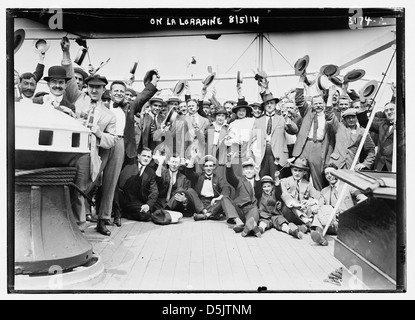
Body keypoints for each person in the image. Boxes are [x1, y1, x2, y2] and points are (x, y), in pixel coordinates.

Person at [70, 73, 118, 235]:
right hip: (71, 150)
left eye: (98, 87)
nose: (94, 90)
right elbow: (69, 77)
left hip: (89, 154)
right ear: (87, 87)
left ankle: (79, 225)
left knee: (81, 188)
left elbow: (112, 140)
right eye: (91, 87)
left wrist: (98, 133)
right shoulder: (78, 100)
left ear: (103, 89)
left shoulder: (109, 115)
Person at [292, 75, 336, 191]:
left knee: (318, 177)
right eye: (315, 103)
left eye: (320, 103)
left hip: (319, 146)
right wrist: (301, 80)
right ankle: (300, 197)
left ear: (324, 103)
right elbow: (299, 100)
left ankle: (320, 198)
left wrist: (331, 95)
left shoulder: (328, 116)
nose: (318, 105)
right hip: (306, 145)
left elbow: (331, 115)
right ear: (312, 104)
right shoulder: (308, 112)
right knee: (301, 175)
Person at [310, 163, 368, 246]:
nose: (329, 176)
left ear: (338, 173)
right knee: (319, 213)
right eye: (326, 174)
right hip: (334, 223)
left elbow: (359, 195)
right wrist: (315, 207)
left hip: (348, 223)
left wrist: (362, 198)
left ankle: (319, 233)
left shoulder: (348, 185)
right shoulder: (324, 191)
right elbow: (320, 205)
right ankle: (320, 236)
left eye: (332, 173)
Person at [249, 92, 298, 179]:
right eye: (267, 104)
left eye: (271, 103)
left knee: (277, 180)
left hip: (277, 156)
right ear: (264, 106)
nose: (269, 105)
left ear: (275, 105)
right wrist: (250, 155)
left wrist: (287, 119)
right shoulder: (258, 121)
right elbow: (252, 139)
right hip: (262, 156)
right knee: (262, 180)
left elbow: (294, 130)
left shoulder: (282, 119)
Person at [113, 148, 159, 222]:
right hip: (122, 197)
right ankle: (117, 213)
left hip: (135, 202)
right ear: (138, 156)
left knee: (146, 215)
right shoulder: (128, 165)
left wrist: (148, 205)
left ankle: (124, 214)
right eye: (144, 156)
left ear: (151, 159)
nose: (146, 159)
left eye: (148, 157)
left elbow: (154, 192)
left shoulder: (151, 172)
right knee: (114, 188)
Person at [280, 158, 324, 233]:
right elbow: (285, 195)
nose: (297, 173)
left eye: (300, 171)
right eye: (295, 170)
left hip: (304, 212)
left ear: (304, 173)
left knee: (315, 210)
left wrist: (313, 201)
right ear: (291, 170)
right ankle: (309, 225)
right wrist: (296, 205)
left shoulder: (307, 184)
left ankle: (303, 227)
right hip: (289, 212)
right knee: (290, 207)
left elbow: (320, 197)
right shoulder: (284, 181)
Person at [222, 157, 262, 237]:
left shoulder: (258, 181)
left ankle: (248, 227)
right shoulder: (239, 180)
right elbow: (230, 177)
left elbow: (259, 194)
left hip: (251, 210)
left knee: (255, 209)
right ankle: (239, 222)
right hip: (239, 210)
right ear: (243, 172)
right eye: (246, 169)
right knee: (225, 199)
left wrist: (257, 176)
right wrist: (229, 164)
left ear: (255, 170)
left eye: (251, 168)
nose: (249, 171)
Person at [328, 106, 376, 171]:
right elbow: (329, 115)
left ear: (357, 118)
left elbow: (371, 151)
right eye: (348, 118)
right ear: (344, 119)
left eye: (353, 117)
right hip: (335, 165)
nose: (351, 120)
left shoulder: (363, 132)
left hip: (352, 165)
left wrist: (365, 164)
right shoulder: (338, 127)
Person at [185, 154, 232, 221]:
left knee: (223, 199)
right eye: (206, 166)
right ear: (203, 168)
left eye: (210, 166)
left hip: (212, 203)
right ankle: (207, 213)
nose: (208, 168)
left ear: (214, 167)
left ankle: (205, 215)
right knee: (189, 190)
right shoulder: (199, 176)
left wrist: (218, 198)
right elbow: (189, 174)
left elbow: (226, 188)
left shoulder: (218, 178)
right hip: (199, 202)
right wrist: (192, 158)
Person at [357, 101, 396, 171]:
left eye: (391, 109)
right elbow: (364, 122)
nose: (389, 112)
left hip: (396, 165)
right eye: (386, 110)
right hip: (380, 165)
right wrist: (363, 106)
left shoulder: (406, 124)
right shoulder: (382, 124)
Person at [205, 106, 229, 178]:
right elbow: (204, 138)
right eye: (218, 115)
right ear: (215, 116)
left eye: (222, 116)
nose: (220, 118)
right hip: (210, 151)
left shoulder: (227, 127)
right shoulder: (210, 126)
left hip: (221, 153)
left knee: (220, 174)